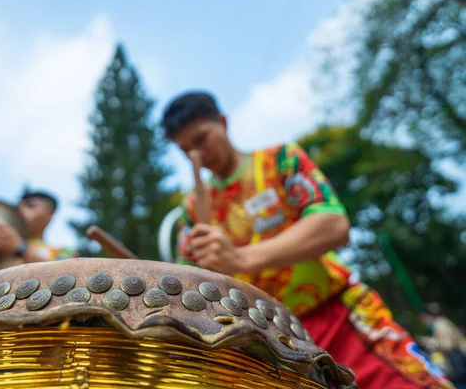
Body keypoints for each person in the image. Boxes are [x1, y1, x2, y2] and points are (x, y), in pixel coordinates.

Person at [161, 91, 454, 389]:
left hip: (338, 318)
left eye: (201, 139)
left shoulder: (279, 161)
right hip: (271, 351)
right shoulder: (193, 210)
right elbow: (189, 287)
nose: (196, 155)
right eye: (185, 150)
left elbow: (332, 224)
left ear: (222, 122)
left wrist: (240, 259)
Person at [0, 190, 77, 286]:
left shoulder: (63, 252)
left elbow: (68, 278)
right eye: (18, 207)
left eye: (31, 206)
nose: (20, 211)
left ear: (50, 214)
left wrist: (21, 248)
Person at [419, 304, 466, 388]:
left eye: (423, 319)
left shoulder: (440, 325)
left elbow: (448, 344)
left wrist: (428, 341)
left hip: (455, 357)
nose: (423, 322)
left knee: (461, 381)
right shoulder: (442, 323)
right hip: (456, 356)